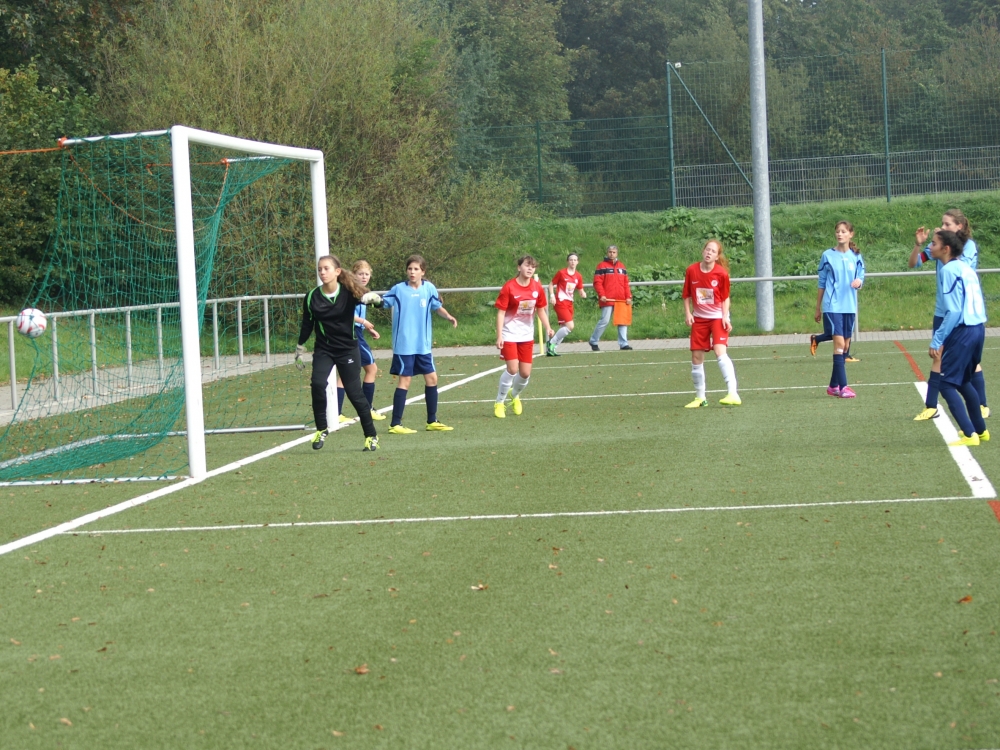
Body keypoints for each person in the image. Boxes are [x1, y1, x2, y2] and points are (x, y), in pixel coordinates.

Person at [295, 255, 381, 452]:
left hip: (347, 349)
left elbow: (378, 302)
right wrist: (300, 347)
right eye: (320, 269)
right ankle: (321, 429)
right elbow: (308, 324)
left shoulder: (349, 293)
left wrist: (375, 299)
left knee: (354, 393)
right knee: (317, 383)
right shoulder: (312, 296)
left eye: (326, 268)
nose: (322, 272)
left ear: (337, 272)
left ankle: (371, 435)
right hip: (324, 349)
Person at [910, 208, 988, 421]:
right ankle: (931, 406)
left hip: (963, 316)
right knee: (938, 356)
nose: (943, 227)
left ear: (959, 226)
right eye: (942, 224)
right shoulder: (939, 245)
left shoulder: (967, 247)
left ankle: (981, 405)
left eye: (947, 224)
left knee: (970, 362)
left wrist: (944, 248)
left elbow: (964, 268)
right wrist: (920, 244)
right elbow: (915, 263)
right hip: (942, 312)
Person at [380, 254, 458, 433]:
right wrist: (370, 299)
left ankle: (432, 420)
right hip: (404, 345)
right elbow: (383, 302)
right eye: (410, 269)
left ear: (423, 271)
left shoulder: (429, 288)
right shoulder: (398, 289)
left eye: (416, 269)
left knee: (432, 379)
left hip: (423, 345)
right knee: (405, 381)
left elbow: (437, 307)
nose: (412, 272)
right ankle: (395, 424)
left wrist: (448, 316)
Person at [927, 229, 989, 446]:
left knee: (945, 384)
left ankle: (969, 434)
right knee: (963, 381)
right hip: (978, 329)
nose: (930, 247)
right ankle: (981, 431)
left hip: (963, 332)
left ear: (946, 249)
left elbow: (953, 311)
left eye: (933, 244)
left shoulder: (948, 270)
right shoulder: (965, 268)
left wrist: (937, 340)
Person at [682, 239, 741, 407]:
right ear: (703, 251)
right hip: (699, 319)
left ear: (717, 256)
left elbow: (725, 297)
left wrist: (725, 317)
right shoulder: (691, 270)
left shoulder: (721, 274)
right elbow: (686, 295)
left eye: (713, 251)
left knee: (719, 351)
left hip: (717, 317)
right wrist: (688, 314)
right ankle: (700, 398)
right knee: (696, 357)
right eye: (707, 249)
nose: (709, 253)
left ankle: (732, 393)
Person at [494, 255, 553, 418]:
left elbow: (540, 309)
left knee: (525, 373)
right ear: (519, 267)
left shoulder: (537, 288)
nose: (530, 269)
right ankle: (499, 402)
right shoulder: (509, 287)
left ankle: (514, 395)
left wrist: (548, 327)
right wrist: (499, 336)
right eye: (527, 265)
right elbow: (501, 312)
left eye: (533, 267)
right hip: (509, 334)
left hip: (526, 335)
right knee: (512, 369)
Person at [816, 221, 865, 399]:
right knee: (839, 345)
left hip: (849, 307)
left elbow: (861, 276)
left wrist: (859, 282)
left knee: (845, 347)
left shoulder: (856, 257)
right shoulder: (827, 255)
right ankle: (844, 387)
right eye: (837, 231)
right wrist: (818, 308)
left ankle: (832, 386)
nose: (840, 234)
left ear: (851, 234)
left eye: (843, 231)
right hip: (832, 306)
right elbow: (821, 283)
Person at [335, 260, 387, 423]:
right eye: (360, 274)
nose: (364, 277)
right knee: (370, 369)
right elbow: (345, 314)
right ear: (354, 274)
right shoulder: (350, 291)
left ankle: (339, 412)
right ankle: (366, 408)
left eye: (366, 274)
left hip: (355, 332)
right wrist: (363, 323)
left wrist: (368, 328)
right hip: (351, 334)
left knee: (349, 373)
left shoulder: (361, 291)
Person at [589, 245, 633, 351]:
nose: (611, 254)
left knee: (622, 321)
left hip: (621, 299)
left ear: (617, 253)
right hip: (607, 299)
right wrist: (602, 295)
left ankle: (623, 344)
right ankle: (593, 340)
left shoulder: (622, 267)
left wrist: (628, 296)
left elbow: (626, 283)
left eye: (613, 252)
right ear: (607, 253)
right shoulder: (601, 266)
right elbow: (597, 282)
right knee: (604, 320)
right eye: (610, 252)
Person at [546, 252, 587, 356]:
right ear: (567, 261)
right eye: (571, 260)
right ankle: (551, 343)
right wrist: (552, 296)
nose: (573, 262)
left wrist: (583, 293)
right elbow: (551, 284)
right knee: (570, 326)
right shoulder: (561, 273)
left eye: (575, 260)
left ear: (578, 262)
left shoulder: (578, 276)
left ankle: (553, 349)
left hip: (569, 303)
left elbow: (580, 289)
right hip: (560, 301)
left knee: (564, 327)